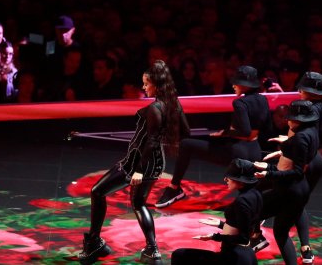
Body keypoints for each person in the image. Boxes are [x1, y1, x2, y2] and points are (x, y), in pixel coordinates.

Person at [78, 60, 190, 265]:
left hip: (138, 162)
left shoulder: (155, 108)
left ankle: (94, 243)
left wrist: (138, 170)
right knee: (138, 203)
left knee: (97, 191)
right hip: (156, 162)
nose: (144, 87)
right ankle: (152, 250)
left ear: (157, 84)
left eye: (146, 84)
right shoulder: (174, 104)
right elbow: (185, 132)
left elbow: (152, 140)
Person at [156, 65, 271, 208]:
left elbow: (245, 132)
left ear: (245, 85)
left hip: (238, 152)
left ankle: (174, 188)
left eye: (236, 82)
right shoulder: (263, 100)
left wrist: (224, 133)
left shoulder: (240, 102)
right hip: (255, 150)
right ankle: (255, 204)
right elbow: (264, 128)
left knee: (186, 144)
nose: (233, 85)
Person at [255, 72, 322, 263]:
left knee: (281, 198)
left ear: (310, 91)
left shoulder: (304, 111)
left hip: (301, 158)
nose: (299, 91)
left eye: (303, 88)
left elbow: (296, 140)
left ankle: (256, 232)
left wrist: (285, 150)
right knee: (299, 202)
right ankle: (305, 248)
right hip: (314, 158)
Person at [252, 100, 320, 265]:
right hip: (292, 189)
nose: (287, 121)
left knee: (280, 230)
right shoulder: (310, 131)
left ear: (299, 120)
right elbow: (296, 156)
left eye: (290, 118)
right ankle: (256, 237)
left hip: (291, 190)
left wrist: (269, 172)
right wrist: (280, 153)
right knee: (256, 208)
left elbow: (297, 172)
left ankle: (256, 238)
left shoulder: (301, 137)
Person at [171, 158, 262, 265]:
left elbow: (243, 238)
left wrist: (214, 237)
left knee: (179, 255)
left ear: (241, 181)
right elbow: (247, 225)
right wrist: (220, 224)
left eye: (230, 177)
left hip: (234, 258)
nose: (225, 179)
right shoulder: (256, 194)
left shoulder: (241, 201)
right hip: (244, 254)